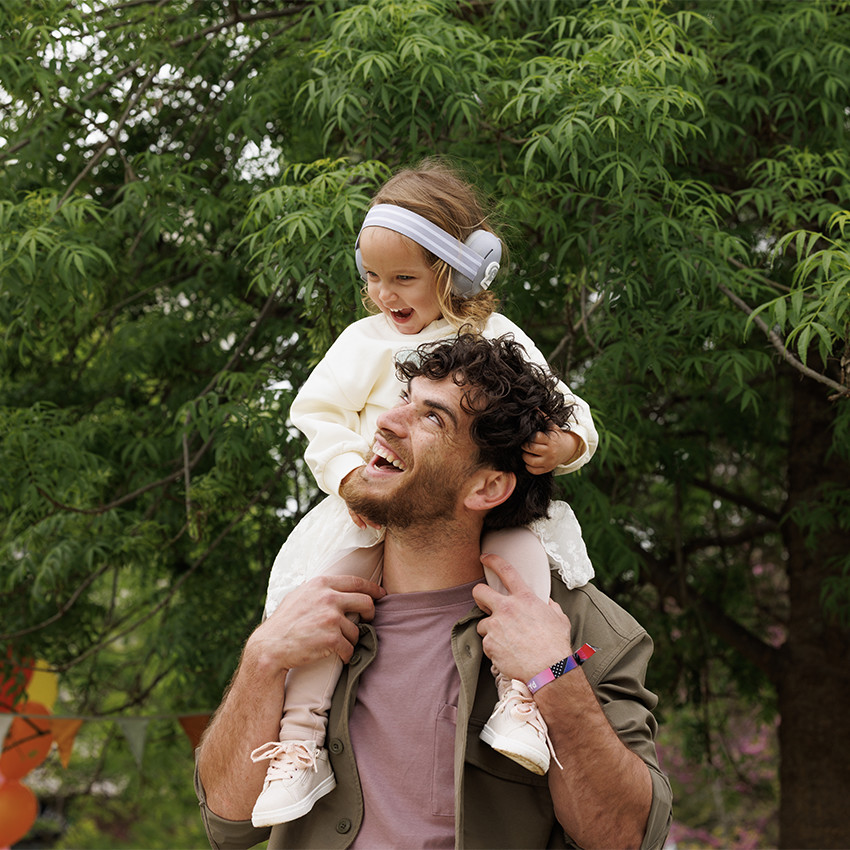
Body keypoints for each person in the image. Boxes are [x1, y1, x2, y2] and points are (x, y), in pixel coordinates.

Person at [195, 334, 673, 850]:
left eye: (432, 418)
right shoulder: (309, 607)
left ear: (486, 488)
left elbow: (625, 839)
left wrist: (553, 675)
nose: (386, 420)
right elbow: (228, 823)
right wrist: (262, 657)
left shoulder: (584, 630)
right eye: (404, 399)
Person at [250, 161, 600, 827]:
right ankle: (301, 737)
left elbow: (568, 409)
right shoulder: (362, 343)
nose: (385, 294)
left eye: (403, 277)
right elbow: (317, 417)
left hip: (479, 502)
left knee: (520, 557)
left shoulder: (494, 339)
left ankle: (521, 701)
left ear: (456, 271)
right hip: (373, 508)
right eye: (373, 277)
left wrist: (565, 445)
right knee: (327, 603)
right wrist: (351, 472)